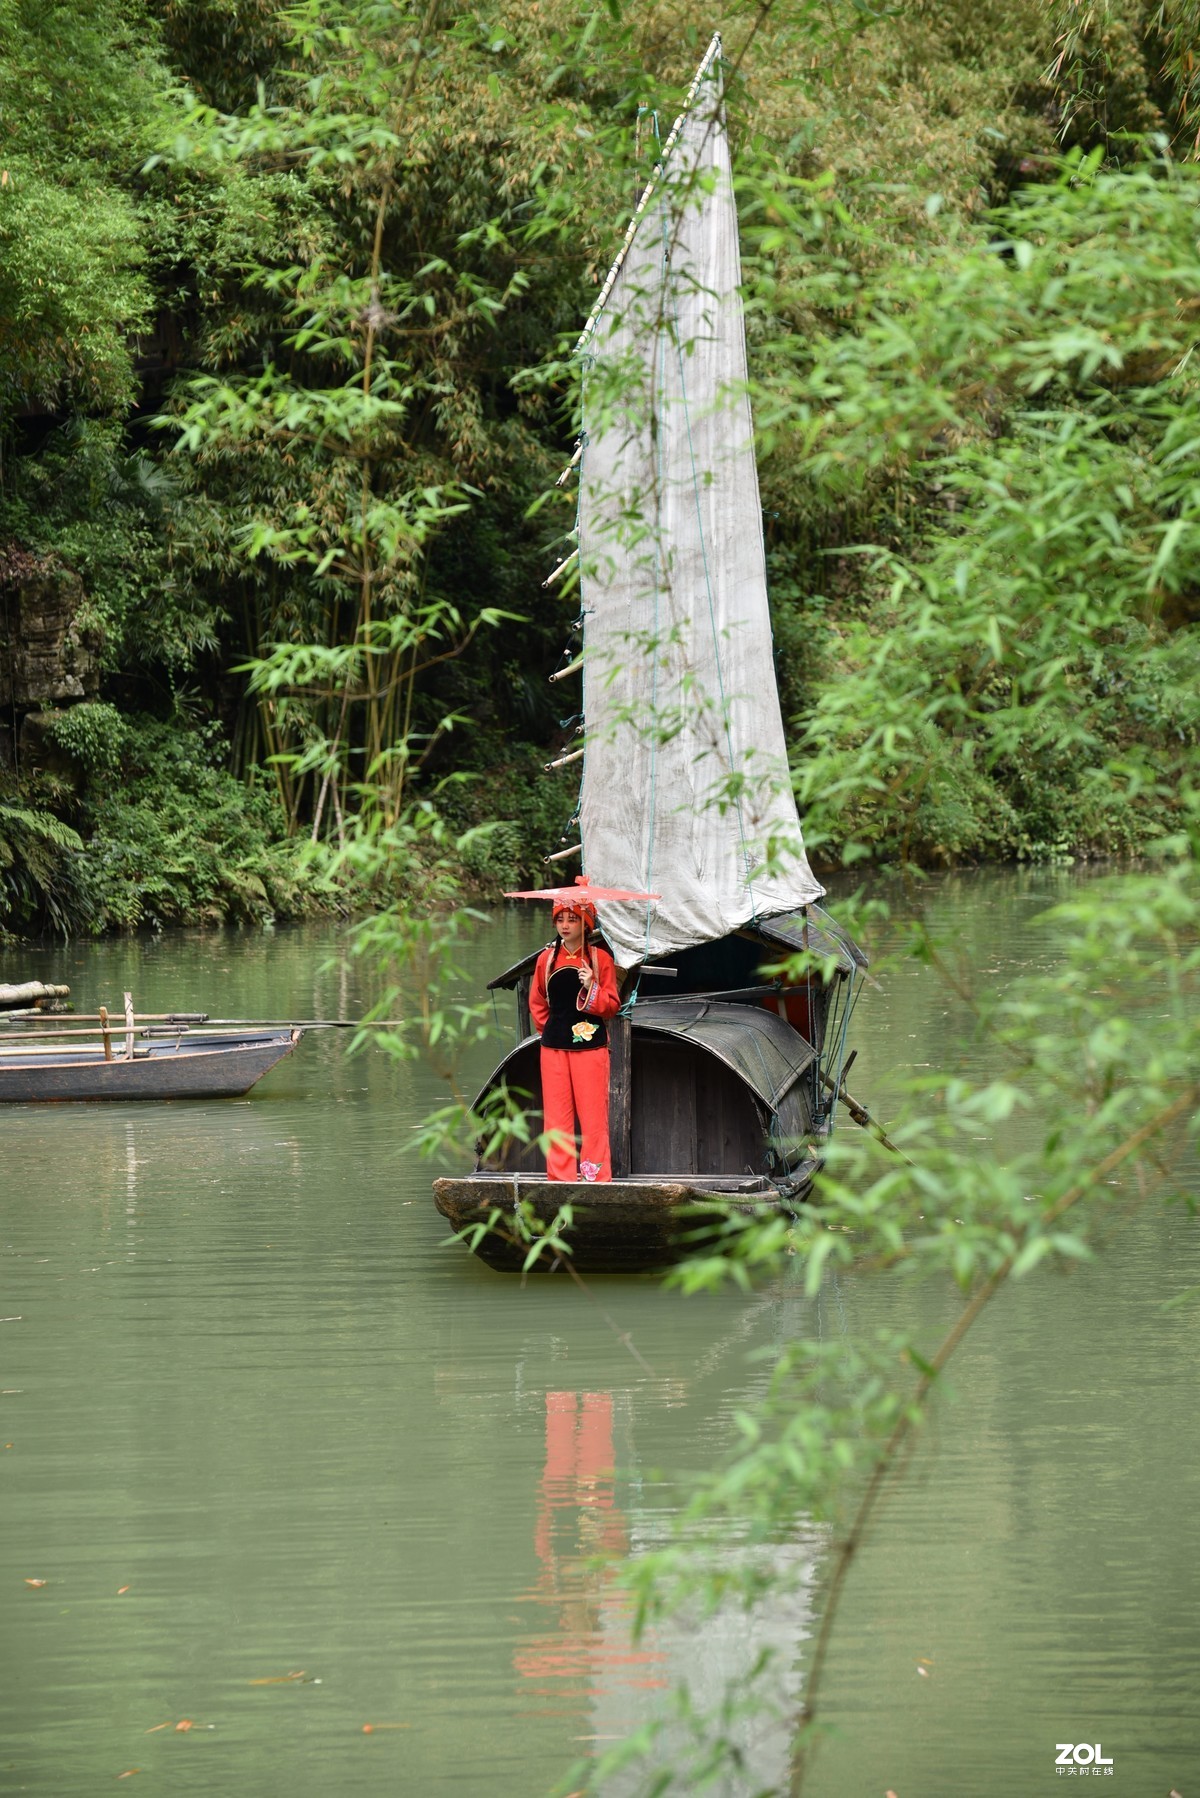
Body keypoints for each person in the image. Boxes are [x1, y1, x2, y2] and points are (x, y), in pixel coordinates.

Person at [529, 898, 621, 1182]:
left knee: (593, 1117)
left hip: (590, 1048)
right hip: (553, 1048)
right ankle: (561, 1177)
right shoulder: (545, 960)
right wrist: (554, 1030)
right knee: (556, 1117)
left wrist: (591, 985)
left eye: (573, 919)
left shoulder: (600, 960)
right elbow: (537, 1003)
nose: (565, 925)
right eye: (560, 919)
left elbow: (611, 1006)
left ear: (586, 923)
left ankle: (595, 1177)